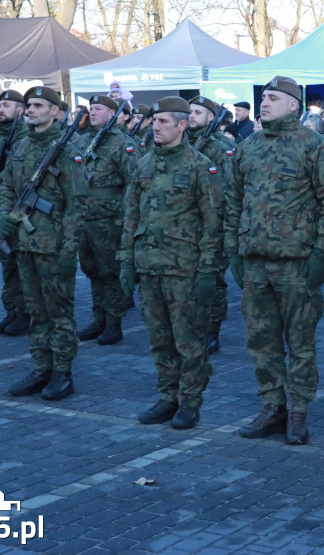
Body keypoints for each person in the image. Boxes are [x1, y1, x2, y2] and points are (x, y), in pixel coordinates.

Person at [226, 75, 324, 445]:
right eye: (263, 98)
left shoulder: (314, 146)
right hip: (255, 262)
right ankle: (272, 406)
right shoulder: (248, 147)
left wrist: (323, 255)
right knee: (262, 340)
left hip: (296, 264)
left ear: (293, 105)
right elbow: (233, 201)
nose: (264, 103)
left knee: (301, 343)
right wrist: (234, 250)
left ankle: (298, 412)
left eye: (273, 98)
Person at [120, 96, 223, 429]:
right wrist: (126, 262)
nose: (156, 126)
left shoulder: (199, 165)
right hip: (150, 266)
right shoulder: (145, 163)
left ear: (182, 125)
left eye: (164, 121)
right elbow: (131, 216)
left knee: (188, 341)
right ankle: (168, 396)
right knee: (159, 339)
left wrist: (208, 269)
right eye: (154, 120)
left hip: (185, 270)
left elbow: (212, 222)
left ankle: (190, 402)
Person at [0, 86, 89, 401]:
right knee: (35, 311)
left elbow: (78, 206)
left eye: (37, 105)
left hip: (54, 246)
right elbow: (7, 186)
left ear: (56, 112)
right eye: (28, 105)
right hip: (23, 242)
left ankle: (62, 371)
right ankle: (41, 366)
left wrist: (69, 252)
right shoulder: (20, 146)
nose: (30, 110)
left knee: (58, 311)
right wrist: (3, 214)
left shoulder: (68, 151)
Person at [76, 94, 139, 345]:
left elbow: (134, 184)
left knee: (110, 272)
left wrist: (124, 220)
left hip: (110, 220)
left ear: (112, 113)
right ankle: (99, 318)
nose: (92, 112)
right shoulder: (81, 142)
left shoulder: (122, 143)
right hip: (85, 218)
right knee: (92, 271)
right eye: (91, 109)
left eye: (98, 109)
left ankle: (114, 322)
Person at [187, 96, 236, 354]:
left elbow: (229, 189)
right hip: (184, 227)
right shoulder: (180, 144)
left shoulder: (220, 148)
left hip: (211, 224)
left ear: (211, 118)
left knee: (213, 279)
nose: (192, 115)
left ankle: (212, 330)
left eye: (198, 112)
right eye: (190, 111)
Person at [0, 90, 31, 337]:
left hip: (21, 207)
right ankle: (12, 310)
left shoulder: (26, 136)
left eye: (6, 105)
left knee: (20, 263)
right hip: (0, 206)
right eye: (0, 105)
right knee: (6, 262)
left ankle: (25, 313)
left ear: (21, 110)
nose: (0, 109)